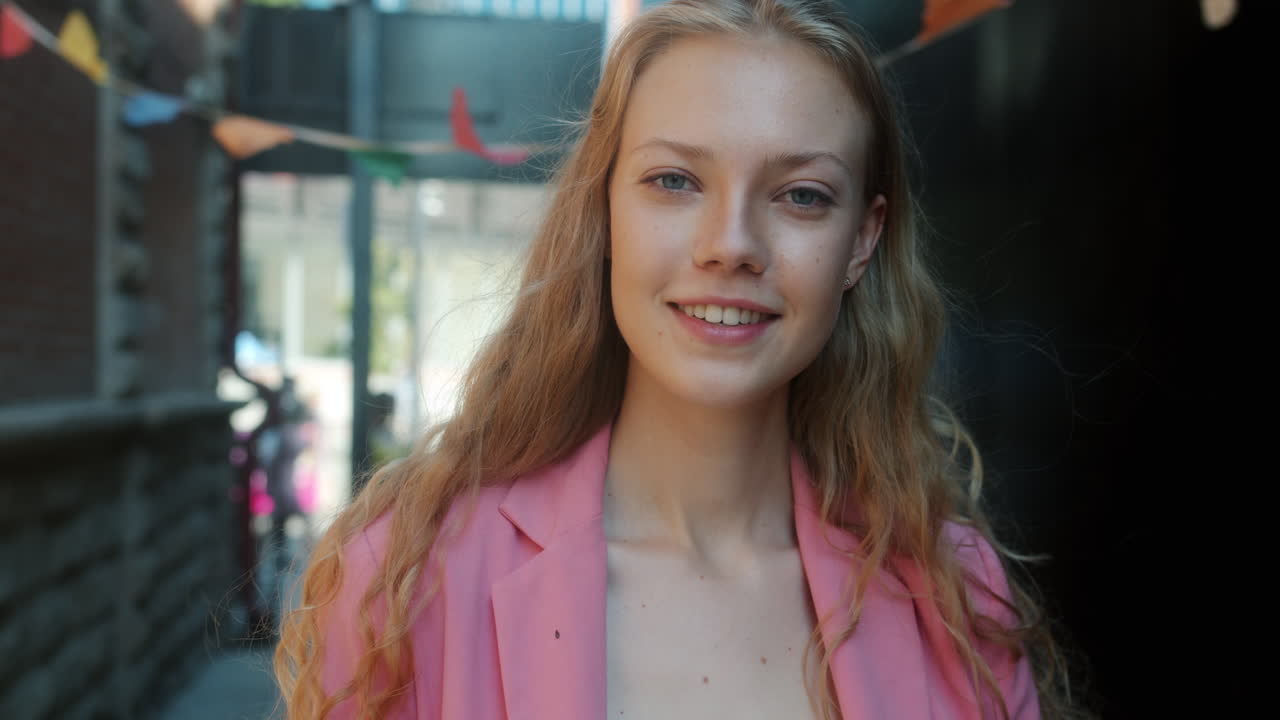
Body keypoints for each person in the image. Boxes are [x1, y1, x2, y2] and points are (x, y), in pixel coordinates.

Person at [274, 1, 1084, 718]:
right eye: (674, 181)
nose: (731, 244)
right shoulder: (410, 579)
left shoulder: (954, 597)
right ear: (604, 210)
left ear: (862, 241)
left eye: (802, 195)